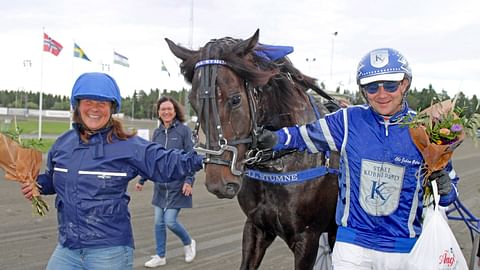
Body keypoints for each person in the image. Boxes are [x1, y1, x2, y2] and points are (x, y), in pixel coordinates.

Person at [257, 48, 459, 269]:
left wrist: (446, 188)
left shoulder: (425, 129)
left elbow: (448, 196)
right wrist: (272, 139)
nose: (382, 94)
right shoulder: (347, 121)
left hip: (403, 249)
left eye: (390, 85)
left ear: (404, 84)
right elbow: (304, 135)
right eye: (372, 87)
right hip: (352, 246)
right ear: (363, 91)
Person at [20, 72, 203, 270]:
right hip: (68, 248)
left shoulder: (128, 145)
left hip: (109, 250)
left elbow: (166, 163)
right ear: (78, 105)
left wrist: (203, 157)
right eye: (88, 101)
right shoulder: (63, 143)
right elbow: (53, 178)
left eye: (102, 103)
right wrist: (38, 185)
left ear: (112, 108)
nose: (95, 109)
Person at [135, 96, 196, 267]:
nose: (166, 112)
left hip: (178, 185)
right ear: (159, 113)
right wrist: (142, 179)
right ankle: (160, 256)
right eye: (163, 109)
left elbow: (192, 157)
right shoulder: (157, 133)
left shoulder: (184, 131)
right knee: (158, 222)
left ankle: (189, 242)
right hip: (161, 187)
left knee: (170, 221)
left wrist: (189, 181)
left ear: (175, 111)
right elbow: (152, 159)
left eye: (169, 109)